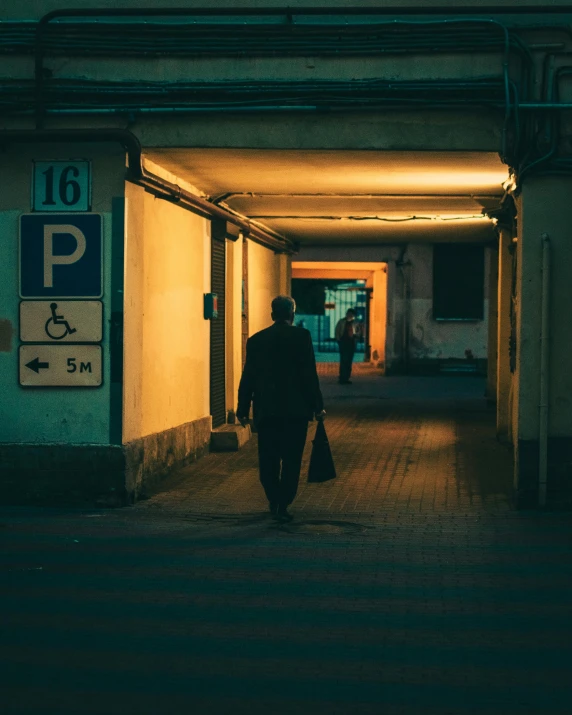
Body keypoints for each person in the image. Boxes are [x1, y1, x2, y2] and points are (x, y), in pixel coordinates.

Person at [237, 295, 326, 522]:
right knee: (292, 459)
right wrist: (318, 406)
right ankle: (284, 502)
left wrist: (242, 408)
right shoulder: (302, 337)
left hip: (267, 411)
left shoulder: (256, 340)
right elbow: (309, 375)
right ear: (292, 314)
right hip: (296, 412)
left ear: (272, 315)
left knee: (268, 458)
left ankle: (273, 497)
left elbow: (248, 377)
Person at [335, 308, 358, 385]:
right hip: (343, 343)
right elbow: (337, 331)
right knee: (343, 360)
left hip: (351, 344)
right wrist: (338, 340)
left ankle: (346, 377)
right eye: (349, 314)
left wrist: (356, 337)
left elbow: (358, 332)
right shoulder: (341, 322)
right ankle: (342, 377)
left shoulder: (354, 323)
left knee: (349, 361)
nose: (350, 316)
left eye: (351, 314)